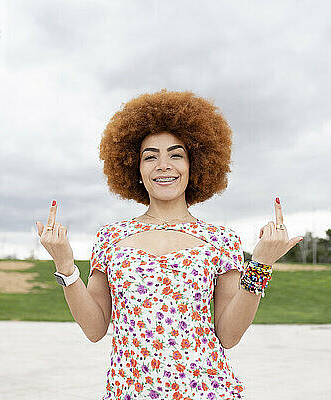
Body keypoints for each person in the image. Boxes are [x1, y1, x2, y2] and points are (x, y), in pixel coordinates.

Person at [36, 89, 302, 399]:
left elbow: (228, 335)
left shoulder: (221, 240)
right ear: (135, 168)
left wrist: (260, 265)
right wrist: (65, 265)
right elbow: (95, 329)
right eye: (151, 156)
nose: (164, 165)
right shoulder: (110, 238)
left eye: (176, 154)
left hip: (207, 391)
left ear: (195, 165)